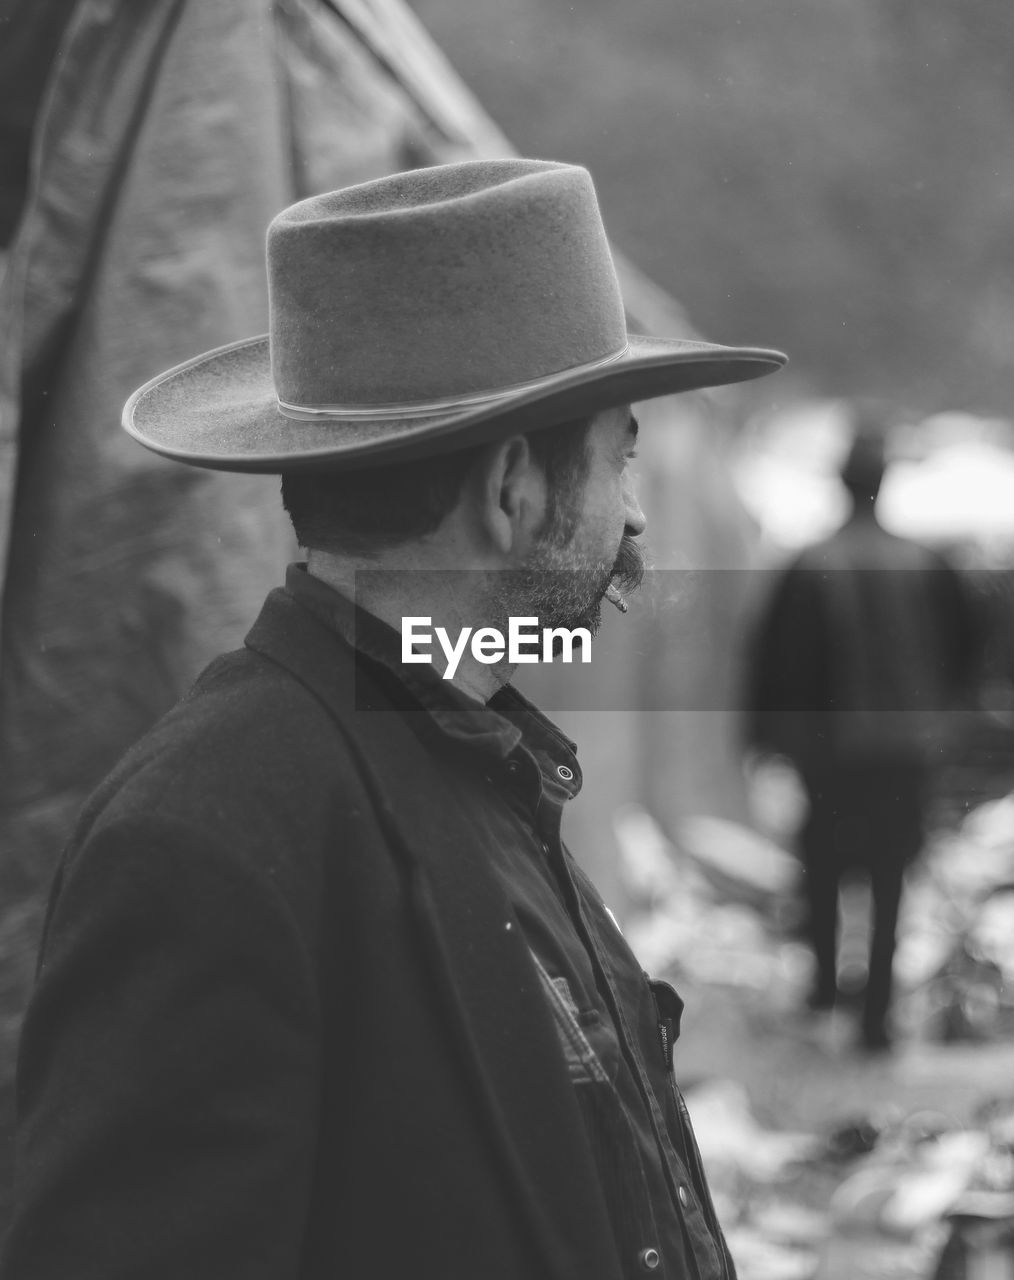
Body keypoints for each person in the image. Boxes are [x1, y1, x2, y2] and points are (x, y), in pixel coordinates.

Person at [1, 158, 785, 1280]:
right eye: (621, 456)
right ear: (512, 485)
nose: (639, 511)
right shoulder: (203, 830)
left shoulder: (475, 759)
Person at [745, 411, 979, 1051]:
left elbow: (777, 664)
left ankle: (827, 995)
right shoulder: (928, 564)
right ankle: (875, 1017)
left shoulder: (811, 564)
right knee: (890, 880)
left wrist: (766, 743)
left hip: (832, 753)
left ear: (841, 483)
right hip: (904, 752)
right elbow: (964, 651)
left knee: (823, 872)